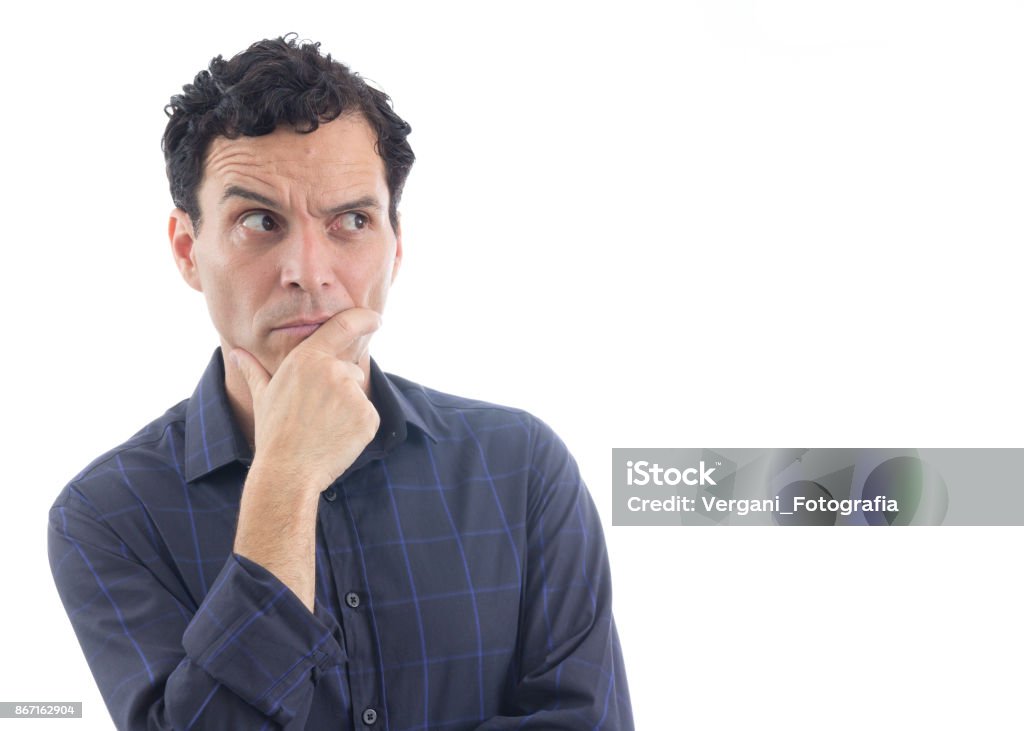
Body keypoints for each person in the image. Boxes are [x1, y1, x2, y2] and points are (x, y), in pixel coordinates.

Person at [47, 35, 633, 730]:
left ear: (396, 245)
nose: (308, 269)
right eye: (259, 221)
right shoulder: (107, 515)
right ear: (187, 250)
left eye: (351, 221)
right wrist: (285, 482)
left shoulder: (522, 466)